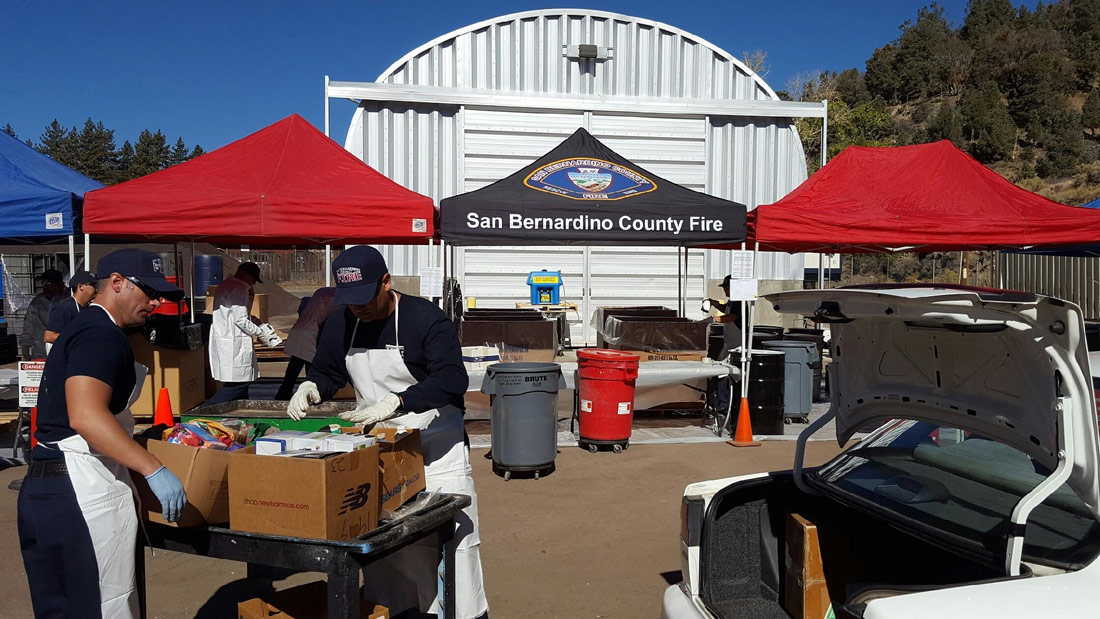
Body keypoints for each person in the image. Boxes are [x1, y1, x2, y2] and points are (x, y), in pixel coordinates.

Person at [286, 246, 488, 619]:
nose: (358, 308)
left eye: (365, 298)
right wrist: (311, 386)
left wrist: (397, 401)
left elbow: (452, 379)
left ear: (386, 282)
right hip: (382, 448)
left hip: (437, 448)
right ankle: (395, 612)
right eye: (350, 301)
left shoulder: (426, 319)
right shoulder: (342, 321)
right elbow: (328, 370)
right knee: (386, 550)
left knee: (453, 547)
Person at [18, 249, 187, 619]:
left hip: (46, 488)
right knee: (103, 609)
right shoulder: (100, 333)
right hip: (81, 491)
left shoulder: (84, 329)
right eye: (150, 292)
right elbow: (86, 416)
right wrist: (153, 468)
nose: (157, 302)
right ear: (116, 283)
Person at [206, 262, 268, 405]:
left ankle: (241, 410)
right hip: (234, 341)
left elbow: (232, 313)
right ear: (246, 275)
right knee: (239, 383)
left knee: (240, 382)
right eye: (253, 280)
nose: (253, 284)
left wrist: (253, 320)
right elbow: (240, 319)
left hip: (226, 337)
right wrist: (260, 332)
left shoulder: (226, 285)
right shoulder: (239, 289)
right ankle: (207, 410)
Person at [274, 286, 336, 400]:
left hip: (300, 330)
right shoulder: (335, 297)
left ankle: (284, 392)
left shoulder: (321, 292)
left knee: (295, 366)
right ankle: (309, 395)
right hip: (312, 334)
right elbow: (326, 320)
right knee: (311, 368)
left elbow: (302, 307)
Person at [19, 268, 66, 359]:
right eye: (43, 283)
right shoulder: (37, 302)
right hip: (40, 353)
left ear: (60, 285)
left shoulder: (67, 301)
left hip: (62, 352)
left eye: (49, 284)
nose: (46, 287)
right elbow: (29, 326)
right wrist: (25, 347)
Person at [43, 269, 98, 347]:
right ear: (81, 286)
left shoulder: (91, 308)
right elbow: (49, 336)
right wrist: (78, 338)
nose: (97, 289)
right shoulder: (64, 308)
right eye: (94, 285)